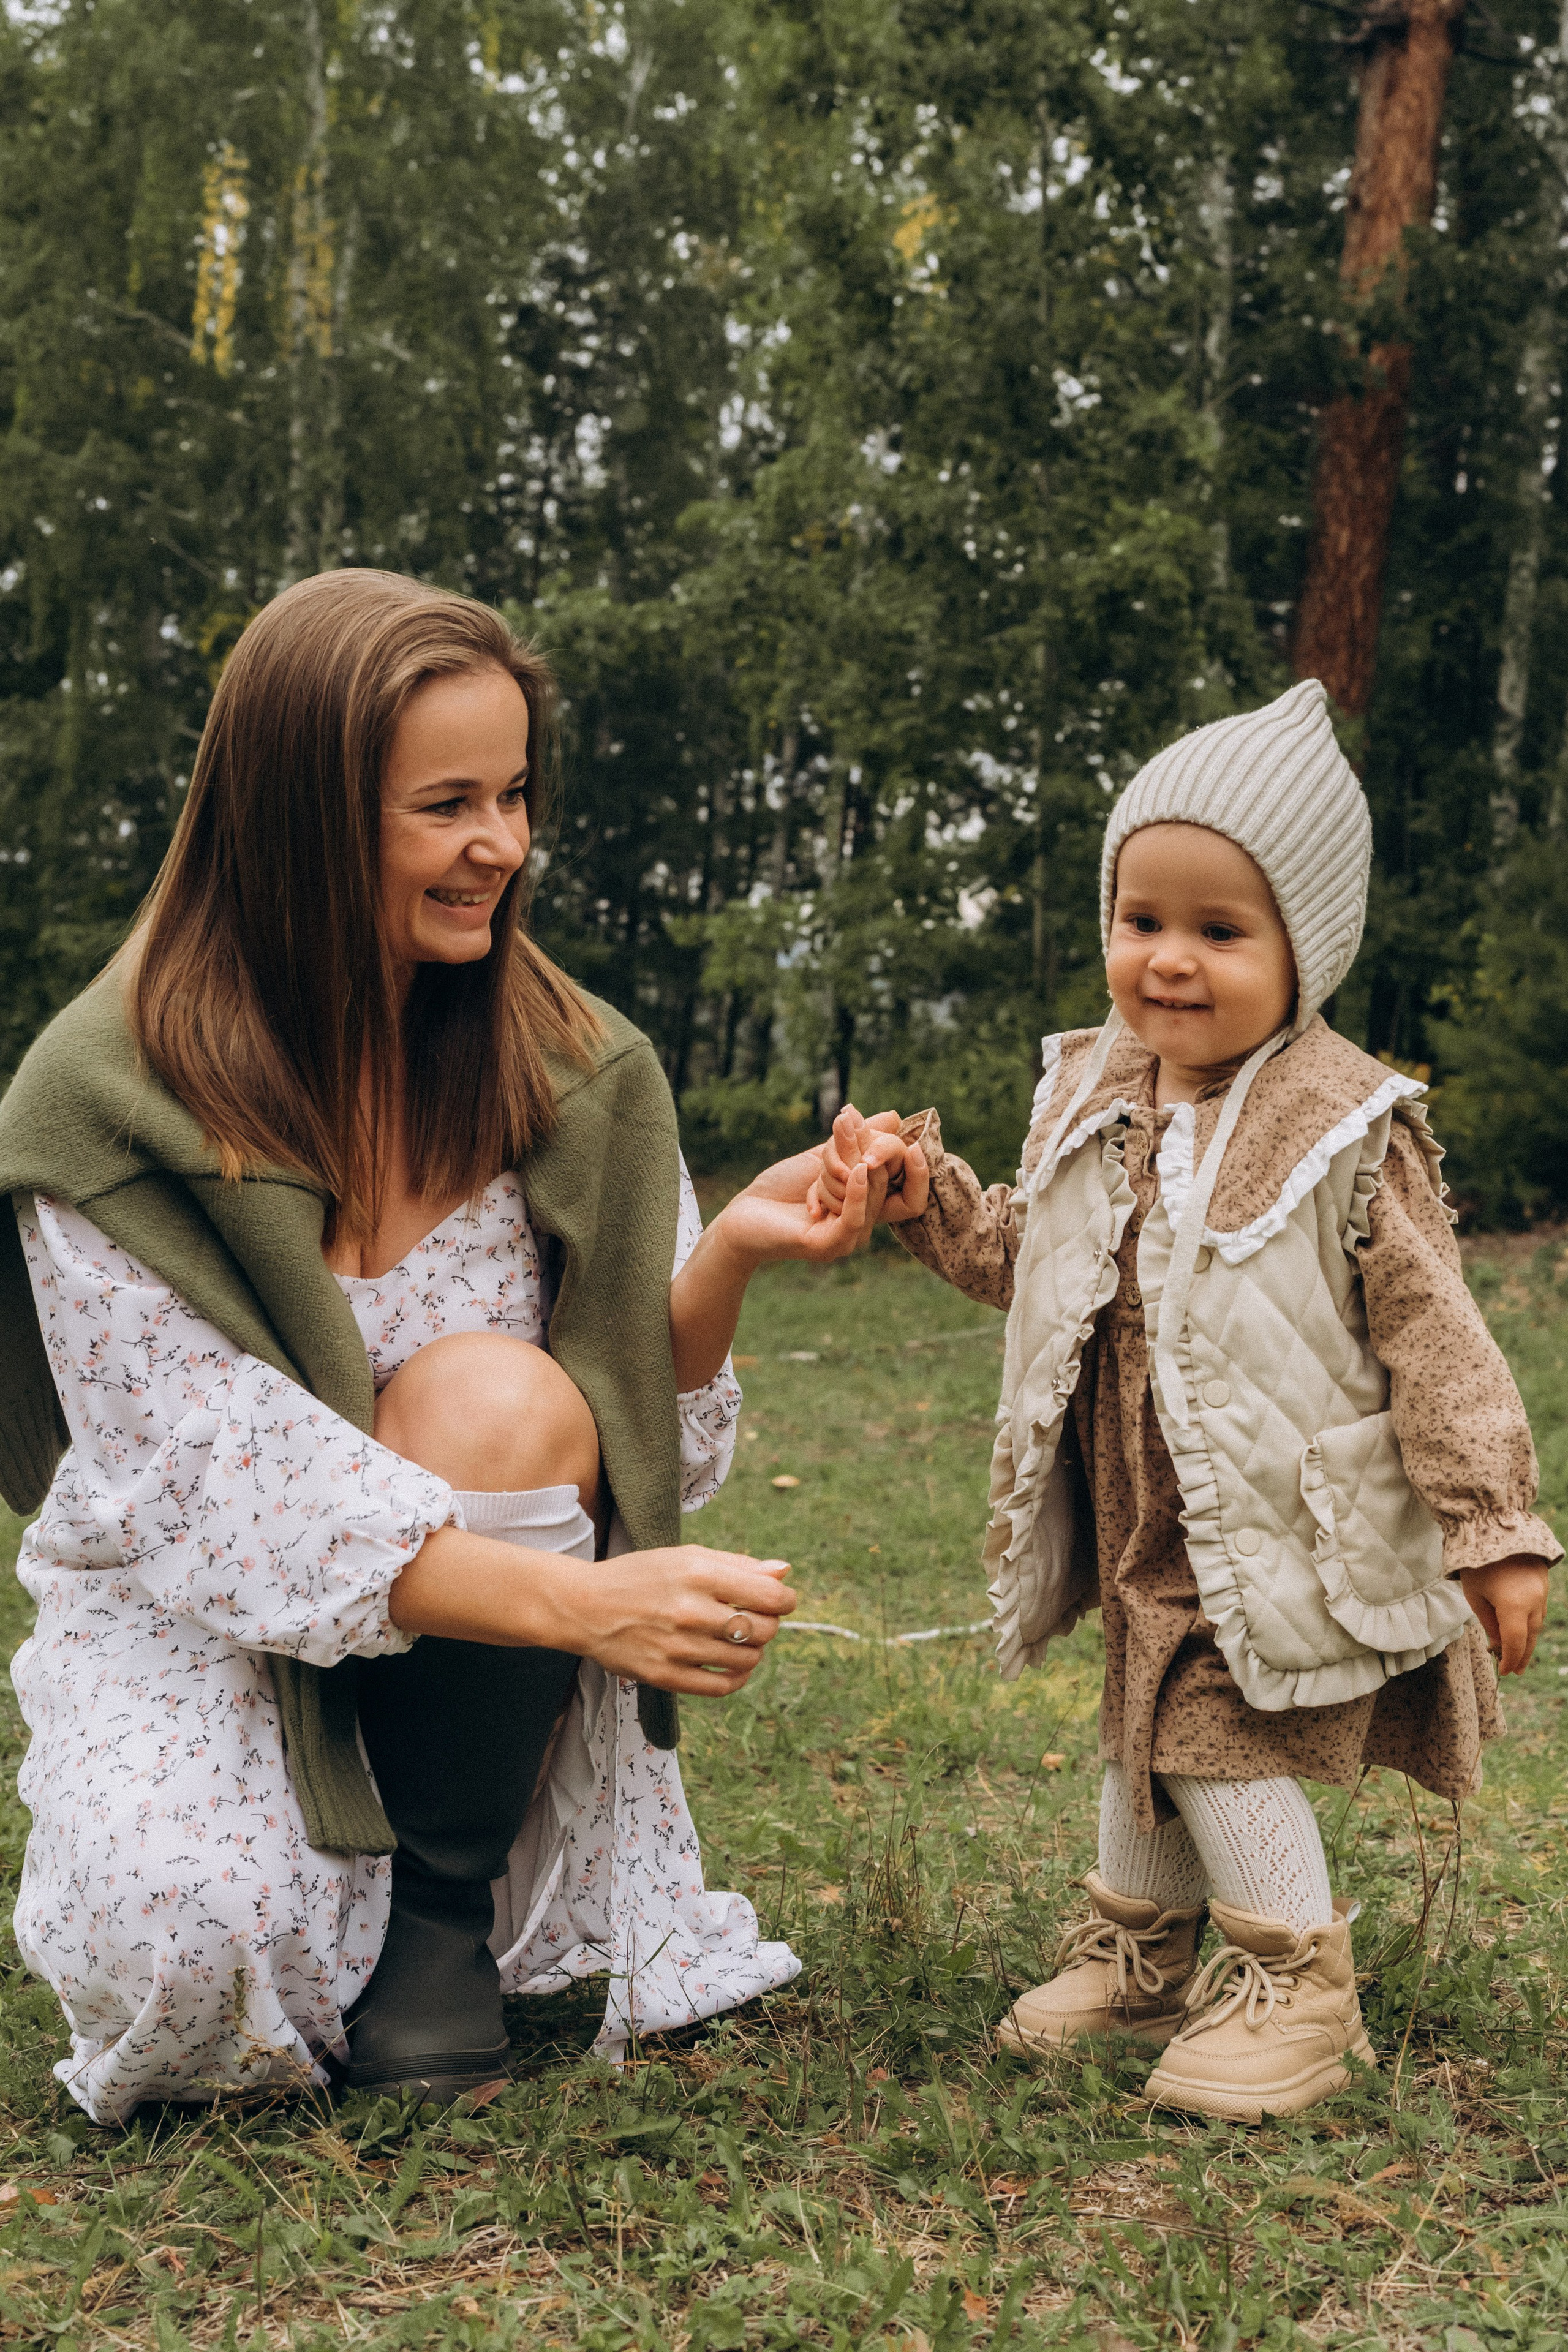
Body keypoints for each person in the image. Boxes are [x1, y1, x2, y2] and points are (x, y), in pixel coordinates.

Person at [0, 569, 887, 2125]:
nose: (504, 845)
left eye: (516, 793)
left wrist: (734, 1248)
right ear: (302, 819)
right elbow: (216, 1487)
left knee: (490, 1385)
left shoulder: (570, 1060)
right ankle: (314, 1903)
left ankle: (441, 1924)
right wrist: (587, 1603)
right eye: (447, 805)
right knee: (189, 1948)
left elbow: (626, 1419)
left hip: (480, 1652)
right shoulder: (107, 1096)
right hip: (200, 1600)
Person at [809, 679, 1559, 2122]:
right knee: (1140, 1713)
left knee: (1214, 1727)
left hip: (1276, 1509)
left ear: (1306, 948)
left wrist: (1493, 1520)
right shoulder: (1100, 1087)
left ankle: (1297, 1984)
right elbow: (1035, 1255)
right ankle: (1144, 1949)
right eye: (1140, 920)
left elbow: (1437, 1334)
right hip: (1141, 1496)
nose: (1167, 961)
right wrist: (928, 1201)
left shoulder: (1342, 1122)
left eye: (1219, 931)